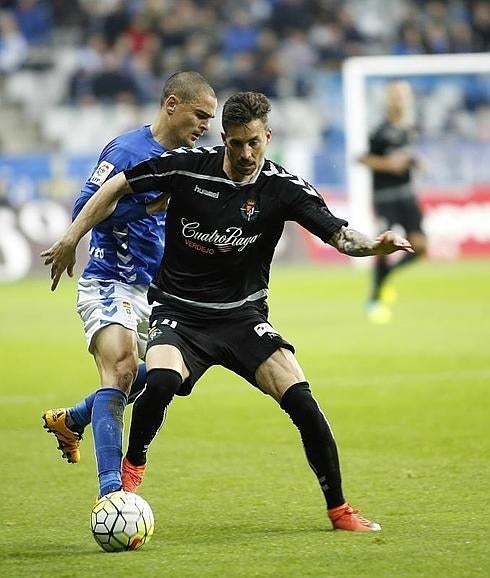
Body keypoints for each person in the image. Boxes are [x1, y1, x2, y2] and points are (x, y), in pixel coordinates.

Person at [43, 91, 414, 532]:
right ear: (225, 138)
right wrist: (72, 237)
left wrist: (375, 244)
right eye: (236, 143)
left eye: (254, 142)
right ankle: (132, 467)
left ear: (267, 137)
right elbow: (118, 184)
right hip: (180, 313)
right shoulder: (188, 167)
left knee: (302, 400)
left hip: (242, 318)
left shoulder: (282, 187)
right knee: (159, 379)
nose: (245, 153)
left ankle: (339, 510)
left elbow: (337, 234)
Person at [41, 71, 217, 498]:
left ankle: (75, 419)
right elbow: (87, 205)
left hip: (159, 294)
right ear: (172, 104)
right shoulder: (127, 151)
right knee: (120, 369)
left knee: (171, 377)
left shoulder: (191, 163)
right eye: (200, 115)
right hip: (111, 280)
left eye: (209, 120)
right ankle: (112, 494)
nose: (204, 127)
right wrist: (74, 238)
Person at [358, 80, 427, 323]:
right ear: (389, 98)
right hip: (385, 198)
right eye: (396, 94)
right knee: (383, 249)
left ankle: (386, 279)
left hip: (407, 195)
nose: (400, 99)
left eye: (404, 95)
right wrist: (389, 165)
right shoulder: (379, 129)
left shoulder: (409, 128)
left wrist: (415, 163)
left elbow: (406, 156)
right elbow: (362, 159)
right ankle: (375, 297)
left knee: (420, 247)